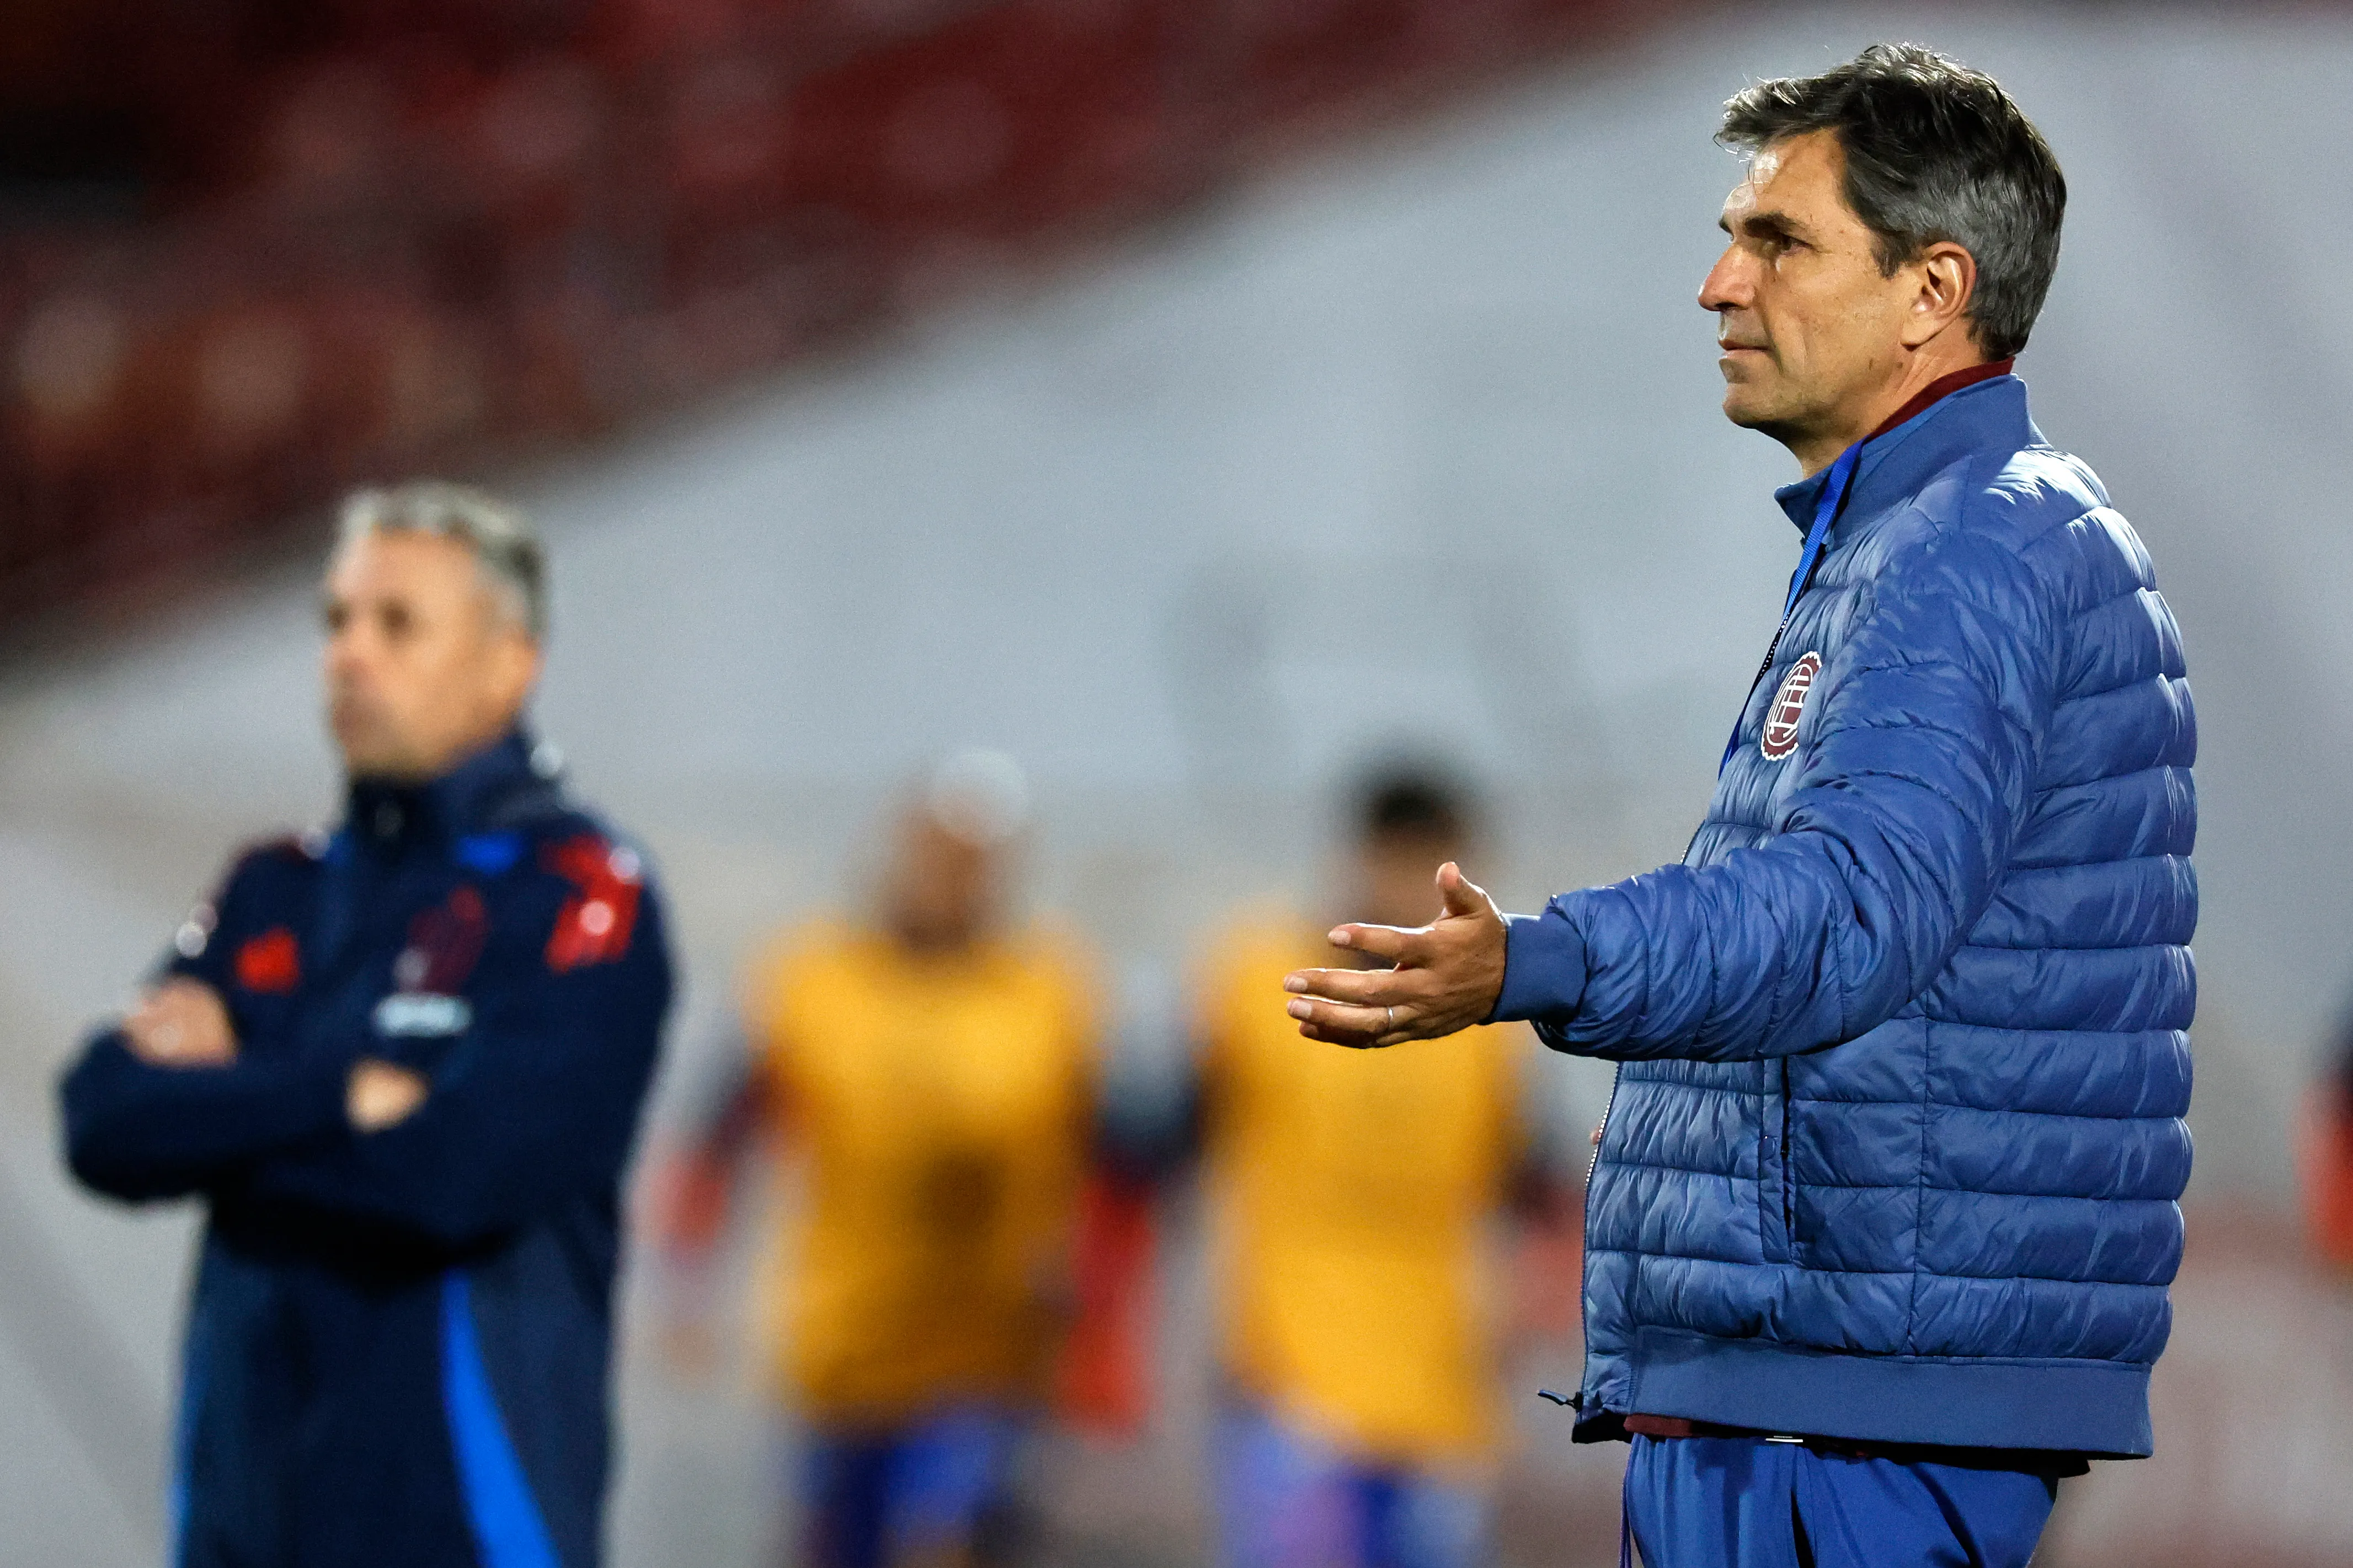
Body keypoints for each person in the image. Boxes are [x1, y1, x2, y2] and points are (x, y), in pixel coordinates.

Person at [1280, 44, 2194, 1568]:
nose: (1719, 284)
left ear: (1932, 290)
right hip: (1826, 1384)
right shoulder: (1921, 540)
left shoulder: (1972, 551)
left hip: (1853, 1408)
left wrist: (1540, 959)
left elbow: (1849, 910)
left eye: (1779, 241)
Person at [59, 483, 674, 1568]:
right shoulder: (270, 886)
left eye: (397, 624)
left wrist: (227, 1101)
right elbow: (103, 1117)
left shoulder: (581, 894)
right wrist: (336, 1094)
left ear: (507, 662)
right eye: (335, 621)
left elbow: (456, 1171)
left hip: (463, 1528)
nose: (349, 654)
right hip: (239, 1522)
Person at [655, 753, 1113, 1568]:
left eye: (975, 860)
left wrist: (1105, 1327)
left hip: (989, 1348)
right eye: (937, 851)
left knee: (944, 1543)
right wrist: (687, 1281)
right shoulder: (812, 976)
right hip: (843, 1343)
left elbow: (1111, 1166)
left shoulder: (1049, 985)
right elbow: (721, 1131)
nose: (951, 877)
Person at [1194, 766, 1578, 1568]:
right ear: (1363, 856)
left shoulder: (1489, 1023)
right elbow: (1177, 1144)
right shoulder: (1259, 976)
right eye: (1411, 865)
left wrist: (1527, 1308)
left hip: (1442, 1394)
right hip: (1297, 1383)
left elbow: (1528, 1185)